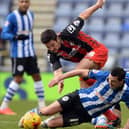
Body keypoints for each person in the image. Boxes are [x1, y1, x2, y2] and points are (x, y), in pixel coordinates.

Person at [40, 0, 121, 127]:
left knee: (79, 70)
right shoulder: (52, 53)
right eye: (48, 47)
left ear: (57, 38)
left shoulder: (67, 33)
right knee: (87, 90)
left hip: (98, 51)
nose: (52, 49)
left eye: (53, 45)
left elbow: (83, 16)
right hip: (88, 61)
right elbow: (57, 70)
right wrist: (59, 80)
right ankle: (108, 115)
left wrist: (97, 5)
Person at [19, 67, 129, 129]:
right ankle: (26, 118)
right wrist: (59, 78)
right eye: (109, 79)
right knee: (46, 111)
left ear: (121, 81)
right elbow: (80, 72)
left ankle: (41, 122)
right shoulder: (104, 75)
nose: (109, 82)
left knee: (48, 125)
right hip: (77, 98)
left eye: (113, 81)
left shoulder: (126, 93)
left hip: (84, 115)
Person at [0, 0, 45, 115]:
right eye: (22, 1)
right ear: (18, 3)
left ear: (29, 3)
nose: (24, 4)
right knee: (18, 79)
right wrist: (15, 36)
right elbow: (4, 34)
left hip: (30, 53)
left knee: (37, 77)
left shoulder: (31, 14)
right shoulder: (12, 17)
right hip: (18, 54)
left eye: (26, 1)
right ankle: (4, 106)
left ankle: (42, 106)